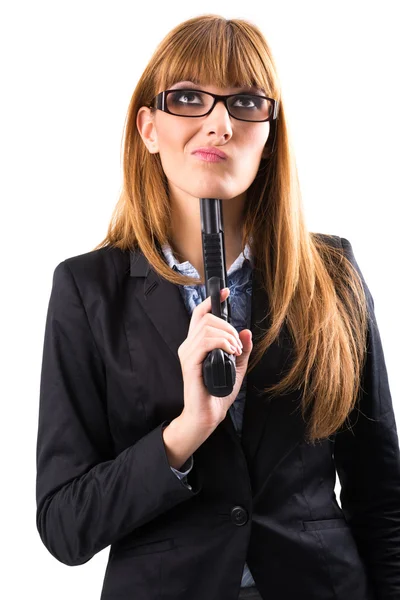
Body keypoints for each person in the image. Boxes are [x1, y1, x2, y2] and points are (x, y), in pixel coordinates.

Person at [35, 14, 400, 600]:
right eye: (188, 99)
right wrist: (185, 431)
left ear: (270, 134)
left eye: (246, 102)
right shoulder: (87, 288)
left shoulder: (333, 274)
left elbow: (382, 498)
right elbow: (64, 525)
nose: (219, 124)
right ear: (148, 129)